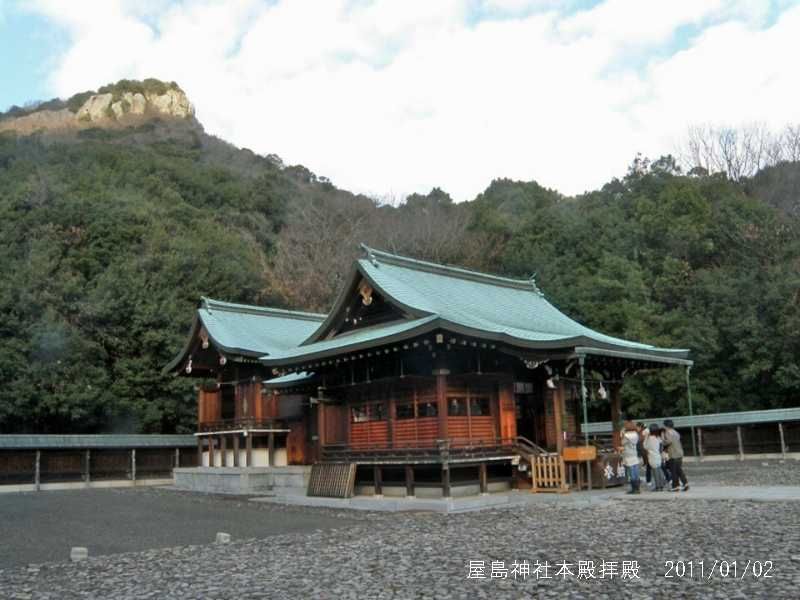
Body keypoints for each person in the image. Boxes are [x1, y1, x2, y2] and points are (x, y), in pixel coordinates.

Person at [662, 419, 689, 492]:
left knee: (673, 471)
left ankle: (675, 486)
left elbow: (669, 441)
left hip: (673, 453)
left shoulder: (668, 432)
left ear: (666, 426)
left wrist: (663, 443)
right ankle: (685, 483)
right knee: (679, 470)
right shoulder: (676, 432)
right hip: (679, 453)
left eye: (664, 425)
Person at [619, 420, 641, 494]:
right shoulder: (636, 434)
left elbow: (622, 443)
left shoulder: (626, 436)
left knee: (631, 472)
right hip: (634, 454)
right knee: (636, 471)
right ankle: (638, 488)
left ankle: (634, 489)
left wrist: (622, 433)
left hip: (628, 455)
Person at [644, 425, 665, 491]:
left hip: (652, 456)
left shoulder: (650, 438)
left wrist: (646, 437)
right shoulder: (658, 437)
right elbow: (661, 447)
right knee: (659, 470)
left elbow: (645, 446)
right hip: (658, 456)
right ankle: (661, 485)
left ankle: (658, 487)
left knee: (655, 472)